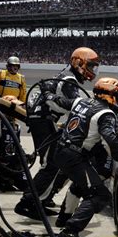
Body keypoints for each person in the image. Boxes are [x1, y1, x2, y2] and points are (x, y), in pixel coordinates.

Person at [46, 77, 118, 237]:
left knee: (81, 186)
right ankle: (70, 231)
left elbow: (59, 101)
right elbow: (109, 139)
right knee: (100, 195)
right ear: (109, 95)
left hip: (61, 151)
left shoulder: (80, 101)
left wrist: (47, 93)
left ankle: (63, 219)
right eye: (117, 94)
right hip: (75, 157)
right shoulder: (106, 114)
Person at [14, 47, 99, 220]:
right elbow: (72, 105)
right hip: (43, 120)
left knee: (53, 162)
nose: (92, 70)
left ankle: (38, 202)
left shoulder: (67, 76)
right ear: (78, 63)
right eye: (90, 65)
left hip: (45, 120)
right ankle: (27, 203)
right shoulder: (69, 79)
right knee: (50, 164)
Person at [55, 84, 118, 227]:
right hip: (93, 146)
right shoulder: (110, 110)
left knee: (84, 181)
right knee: (96, 182)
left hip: (82, 147)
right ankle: (69, 217)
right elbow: (113, 137)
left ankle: (65, 217)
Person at [0, 57, 27, 192]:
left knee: (12, 146)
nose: (13, 68)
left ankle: (9, 178)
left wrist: (21, 111)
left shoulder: (21, 79)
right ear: (7, 66)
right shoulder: (0, 74)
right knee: (1, 145)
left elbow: (23, 96)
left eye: (16, 66)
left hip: (13, 116)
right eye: (11, 66)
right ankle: (2, 177)